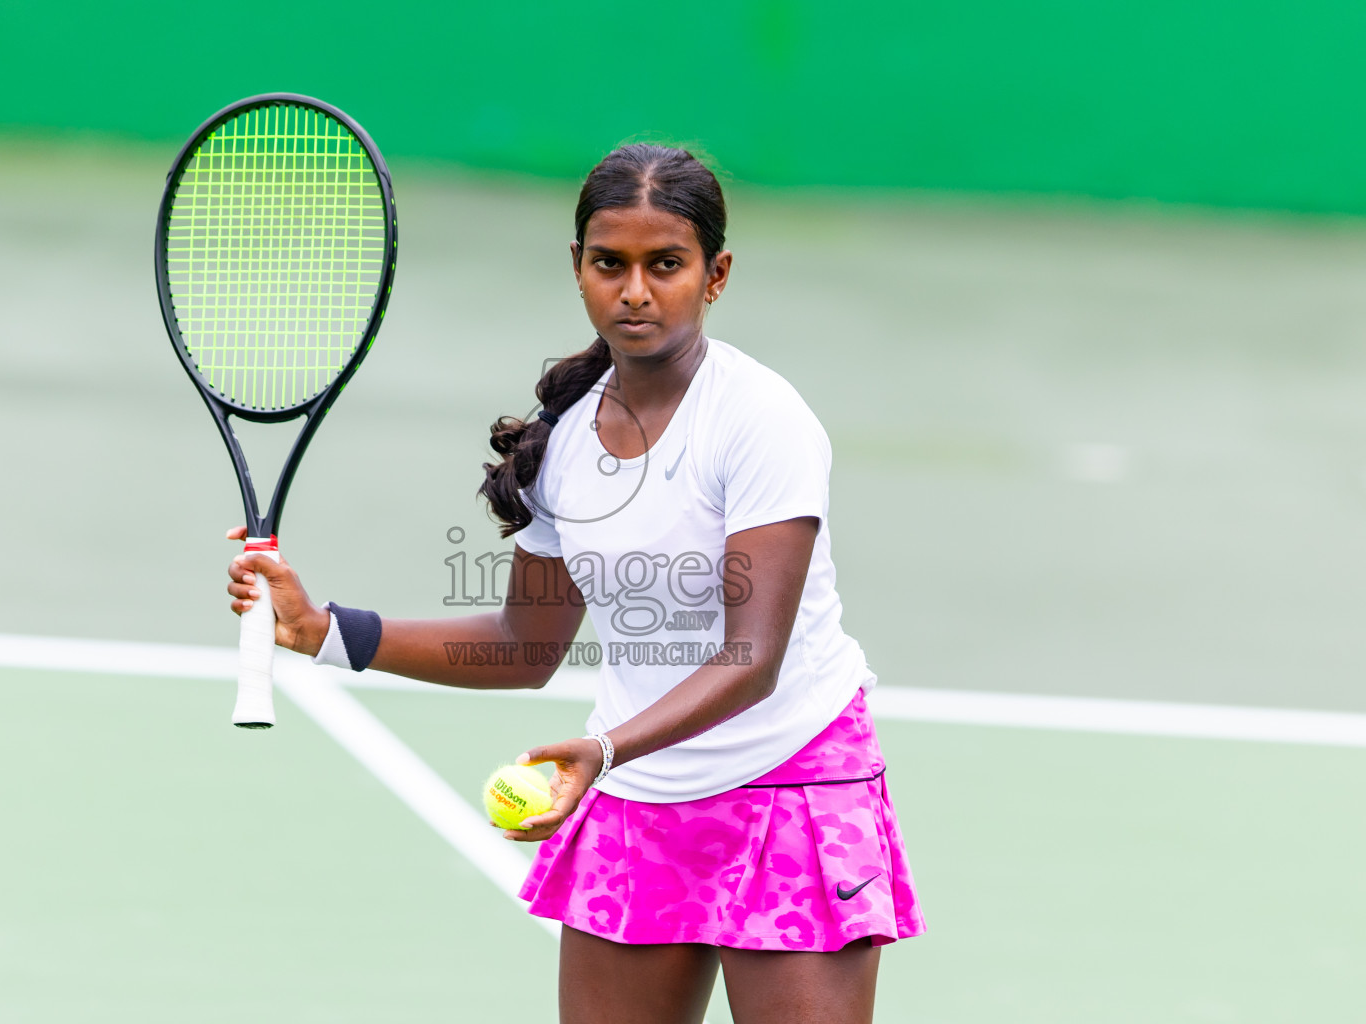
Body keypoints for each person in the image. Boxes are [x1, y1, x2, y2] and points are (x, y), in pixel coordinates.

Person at [225, 143, 924, 1024]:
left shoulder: (760, 420)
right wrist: (321, 629)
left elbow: (753, 656)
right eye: (611, 264)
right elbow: (526, 647)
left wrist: (606, 751)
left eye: (665, 264)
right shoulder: (562, 444)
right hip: (641, 800)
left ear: (716, 275)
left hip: (790, 787)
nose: (636, 290)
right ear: (579, 268)